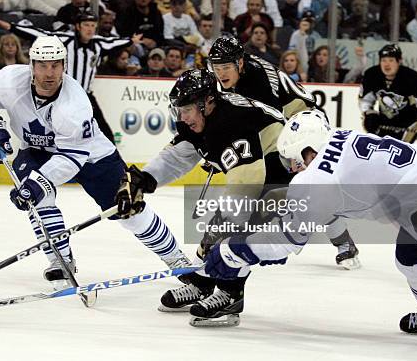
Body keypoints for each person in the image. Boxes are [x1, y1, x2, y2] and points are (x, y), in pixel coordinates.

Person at [0, 35, 190, 288]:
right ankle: (60, 261)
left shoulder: (74, 104)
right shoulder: (9, 80)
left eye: (55, 65)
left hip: (91, 156)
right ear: (31, 65)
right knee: (37, 200)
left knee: (127, 209)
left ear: (64, 65)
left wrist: (39, 182)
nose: (49, 73)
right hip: (37, 150)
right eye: (42, 65)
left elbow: (71, 158)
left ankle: (177, 259)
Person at [204, 109, 417, 333]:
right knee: (412, 256)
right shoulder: (340, 135)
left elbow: (287, 239)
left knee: (413, 259)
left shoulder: (317, 178)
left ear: (310, 151)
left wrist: (234, 251)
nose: (294, 169)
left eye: (295, 161)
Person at [114, 68, 292, 326]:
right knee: (222, 227)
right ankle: (203, 282)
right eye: (179, 110)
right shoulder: (204, 117)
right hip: (258, 169)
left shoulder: (234, 122)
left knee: (238, 228)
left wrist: (221, 226)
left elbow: (247, 184)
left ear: (207, 102)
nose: (183, 117)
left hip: (285, 175)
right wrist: (144, 180)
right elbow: (179, 155)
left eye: (187, 109)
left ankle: (231, 294)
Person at [209, 36, 358, 264]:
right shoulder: (237, 74)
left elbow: (265, 124)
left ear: (240, 63)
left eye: (225, 67)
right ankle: (240, 244)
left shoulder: (258, 79)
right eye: (216, 68)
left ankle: (343, 242)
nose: (221, 73)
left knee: (304, 191)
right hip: (285, 129)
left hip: (304, 129)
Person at [0, 13, 143, 143]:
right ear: (78, 26)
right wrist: (12, 27)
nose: (90, 29)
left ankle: (116, 172)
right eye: (86, 25)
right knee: (55, 131)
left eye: (92, 25)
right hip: (63, 95)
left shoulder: (98, 44)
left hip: (85, 96)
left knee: (104, 132)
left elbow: (114, 42)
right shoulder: (65, 40)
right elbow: (39, 34)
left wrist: (131, 41)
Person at [360, 44, 417, 144]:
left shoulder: (412, 77)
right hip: (385, 124)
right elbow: (366, 99)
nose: (386, 64)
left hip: (410, 125)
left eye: (391, 60)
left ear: (399, 61)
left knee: (400, 150)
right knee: (379, 149)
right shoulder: (372, 75)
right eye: (383, 60)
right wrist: (367, 112)